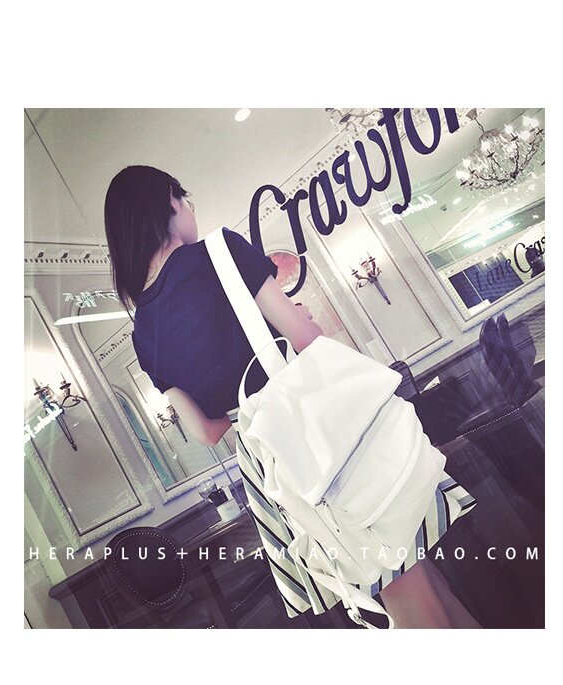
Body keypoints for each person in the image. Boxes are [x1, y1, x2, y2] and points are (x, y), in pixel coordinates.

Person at [104, 165, 482, 628]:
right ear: (168, 201)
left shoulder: (143, 333)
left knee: (400, 580)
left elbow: (204, 432)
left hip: (272, 465)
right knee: (413, 589)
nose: (190, 210)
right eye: (186, 199)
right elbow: (305, 337)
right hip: (318, 434)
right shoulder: (220, 252)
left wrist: (245, 409)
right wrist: (292, 337)